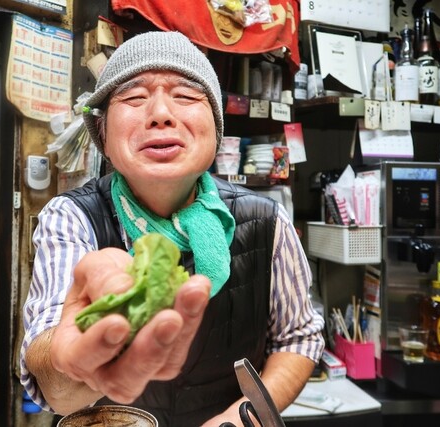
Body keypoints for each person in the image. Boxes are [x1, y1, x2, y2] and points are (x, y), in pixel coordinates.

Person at [21, 31, 325, 427]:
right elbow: (55, 387)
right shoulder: (70, 218)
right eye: (133, 97)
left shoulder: (267, 220)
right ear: (103, 135)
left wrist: (235, 421)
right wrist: (74, 364)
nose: (161, 113)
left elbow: (299, 338)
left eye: (185, 95)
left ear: (215, 130)